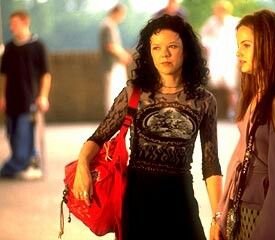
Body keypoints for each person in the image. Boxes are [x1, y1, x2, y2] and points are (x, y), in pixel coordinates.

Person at [73, 14, 222, 240]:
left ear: (186, 50)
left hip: (181, 199)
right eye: (156, 47)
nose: (164, 54)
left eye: (172, 46)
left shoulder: (204, 100)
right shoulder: (135, 94)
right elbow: (98, 137)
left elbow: (210, 163)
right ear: (148, 52)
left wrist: (217, 215)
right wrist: (82, 166)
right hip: (137, 201)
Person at [214, 9, 275, 240]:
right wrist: (220, 215)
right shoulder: (256, 96)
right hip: (242, 213)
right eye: (239, 45)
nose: (238, 52)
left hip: (270, 219)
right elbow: (238, 159)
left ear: (269, 46)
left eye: (246, 45)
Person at [0, 10, 51, 180]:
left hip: (29, 99)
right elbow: (4, 75)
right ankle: (28, 162)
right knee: (13, 135)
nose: (11, 27)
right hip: (11, 101)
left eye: (14, 23)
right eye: (10, 24)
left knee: (24, 134)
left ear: (25, 22)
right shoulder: (9, 48)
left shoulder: (38, 46)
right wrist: (3, 96)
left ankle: (18, 164)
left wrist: (43, 96)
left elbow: (45, 74)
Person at [200, 0, 239, 120]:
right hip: (216, 59)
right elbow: (203, 38)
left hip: (229, 58)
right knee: (216, 86)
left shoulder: (234, 22)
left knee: (231, 87)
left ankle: (235, 111)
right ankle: (219, 112)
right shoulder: (211, 23)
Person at [99, 3, 132, 113]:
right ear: (117, 12)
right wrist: (123, 55)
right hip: (111, 65)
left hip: (114, 64)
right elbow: (110, 45)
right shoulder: (108, 25)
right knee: (113, 92)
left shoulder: (109, 25)